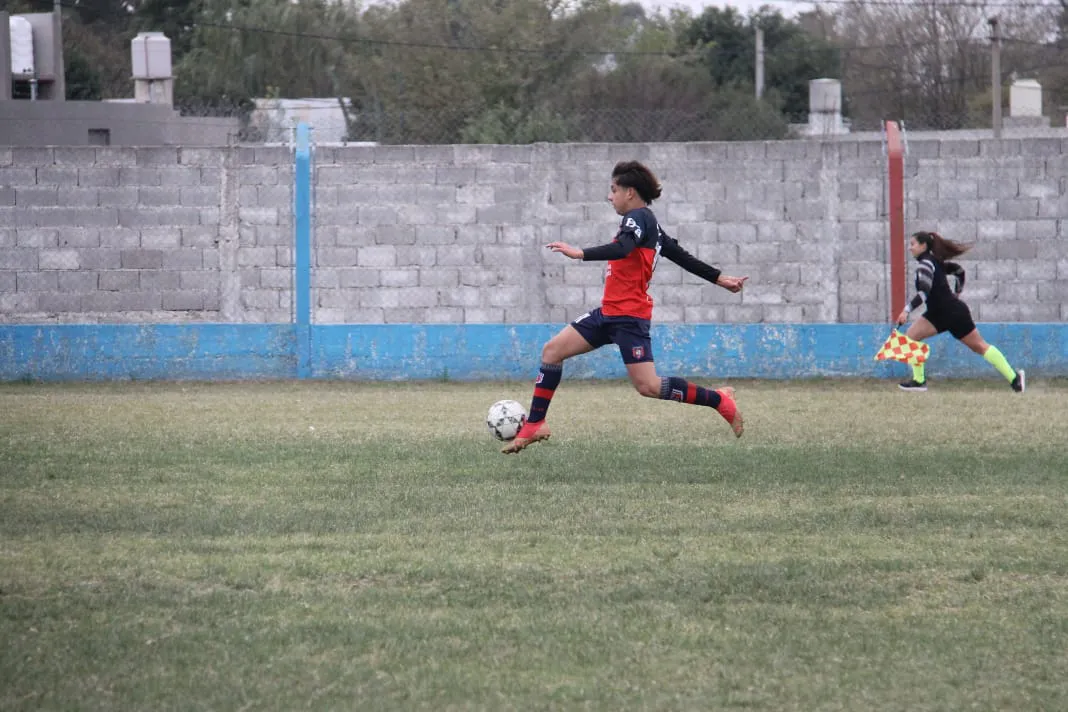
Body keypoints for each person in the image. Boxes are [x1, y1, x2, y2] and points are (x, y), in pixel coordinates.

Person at [502, 160, 749, 455]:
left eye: (613, 190)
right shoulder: (649, 223)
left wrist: (579, 253)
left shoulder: (639, 217)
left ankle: (719, 400)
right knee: (552, 351)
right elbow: (679, 255)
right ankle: (536, 424)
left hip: (629, 318)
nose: (610, 196)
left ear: (630, 192)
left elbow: (623, 248)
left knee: (648, 386)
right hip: (608, 313)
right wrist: (720, 278)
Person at [895, 230, 1024, 393]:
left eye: (912, 244)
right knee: (980, 346)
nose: (909, 248)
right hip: (950, 311)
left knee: (912, 337)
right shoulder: (935, 262)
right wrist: (957, 292)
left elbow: (923, 292)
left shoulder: (925, 264)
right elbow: (959, 271)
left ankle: (919, 381)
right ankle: (1014, 380)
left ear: (923, 245)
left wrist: (906, 311)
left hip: (944, 313)